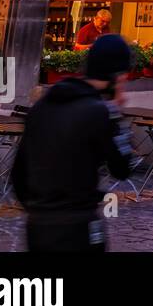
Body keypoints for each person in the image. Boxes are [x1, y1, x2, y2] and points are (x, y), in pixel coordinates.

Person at [11, 34, 137, 252]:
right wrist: (117, 113)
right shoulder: (99, 112)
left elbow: (18, 174)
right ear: (118, 76)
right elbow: (123, 167)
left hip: (38, 226)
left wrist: (41, 210)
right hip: (78, 226)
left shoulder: (43, 105)